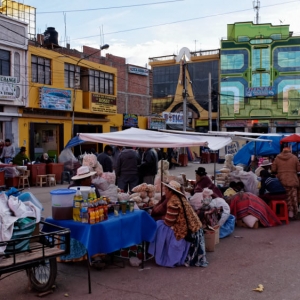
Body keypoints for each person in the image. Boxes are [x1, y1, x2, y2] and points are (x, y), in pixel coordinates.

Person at [148, 180, 208, 268]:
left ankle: (164, 255)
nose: (164, 191)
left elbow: (168, 222)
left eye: (166, 189)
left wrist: (160, 218)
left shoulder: (173, 202)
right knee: (160, 224)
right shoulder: (180, 197)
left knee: (159, 226)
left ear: (171, 191)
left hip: (188, 231)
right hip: (195, 229)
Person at [271, 147, 300, 220]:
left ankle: (286, 213)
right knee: (293, 197)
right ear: (290, 151)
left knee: (285, 197)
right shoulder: (294, 157)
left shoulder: (277, 158)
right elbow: (298, 169)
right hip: (292, 179)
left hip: (282, 180)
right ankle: (294, 214)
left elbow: (273, 169)